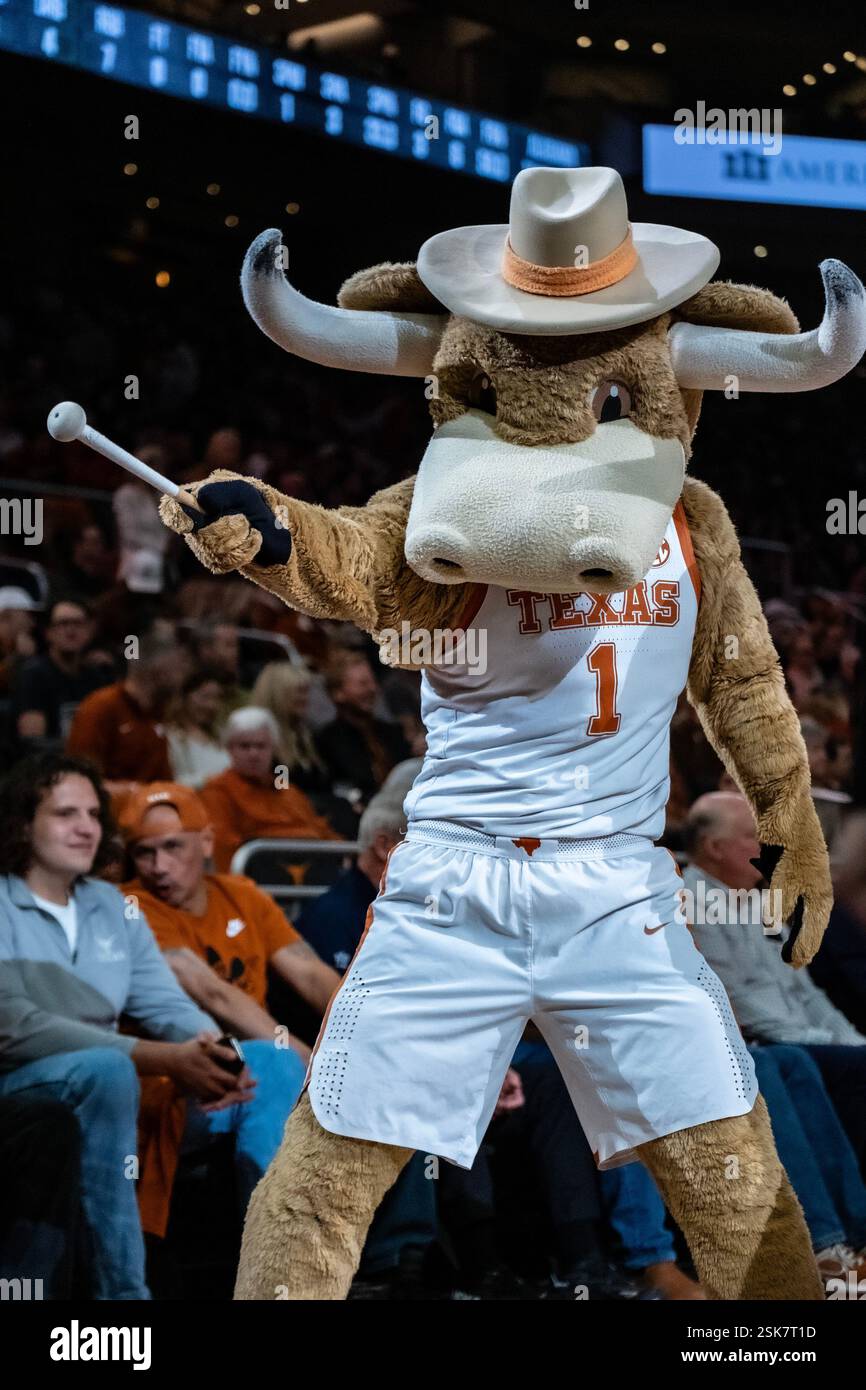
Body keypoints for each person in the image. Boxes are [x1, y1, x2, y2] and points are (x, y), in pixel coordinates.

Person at [0, 753, 250, 1299]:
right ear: (22, 823)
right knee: (111, 1072)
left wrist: (219, 1052)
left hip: (111, 1077)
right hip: (18, 1084)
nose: (86, 826)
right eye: (65, 813)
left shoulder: (114, 905)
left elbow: (165, 1005)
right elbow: (13, 1026)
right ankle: (124, 1298)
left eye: (93, 813)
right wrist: (160, 1059)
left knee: (270, 1063)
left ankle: (285, 1280)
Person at [683, 792, 866, 1175]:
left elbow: (807, 991)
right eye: (752, 835)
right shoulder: (693, 905)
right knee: (852, 1067)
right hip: (769, 1040)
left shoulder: (758, 899)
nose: (765, 845)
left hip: (807, 1034)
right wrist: (834, 1045)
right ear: (715, 848)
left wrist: (850, 1038)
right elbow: (739, 1001)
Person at [200, 707, 341, 871]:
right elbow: (224, 846)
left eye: (261, 746)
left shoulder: (287, 790)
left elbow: (323, 832)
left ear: (272, 749)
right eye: (245, 746)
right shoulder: (217, 790)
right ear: (229, 749)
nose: (254, 753)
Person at [66, 622, 190, 791]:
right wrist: (135, 792)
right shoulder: (101, 707)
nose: (185, 674)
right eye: (180, 665)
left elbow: (164, 782)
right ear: (158, 667)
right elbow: (80, 781)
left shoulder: (157, 712)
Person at [12, 599, 114, 744]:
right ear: (49, 633)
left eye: (78, 624)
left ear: (88, 632)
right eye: (63, 623)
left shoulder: (96, 677)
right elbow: (32, 743)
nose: (71, 631)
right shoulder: (34, 675)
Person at [316, 651, 410, 802]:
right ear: (337, 693)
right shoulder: (327, 742)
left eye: (373, 681)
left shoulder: (393, 732)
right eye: (363, 684)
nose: (372, 689)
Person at [165, 666, 231, 789]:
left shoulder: (223, 735)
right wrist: (213, 780)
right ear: (184, 698)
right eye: (204, 697)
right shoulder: (171, 737)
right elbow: (172, 783)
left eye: (217, 698)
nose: (212, 705)